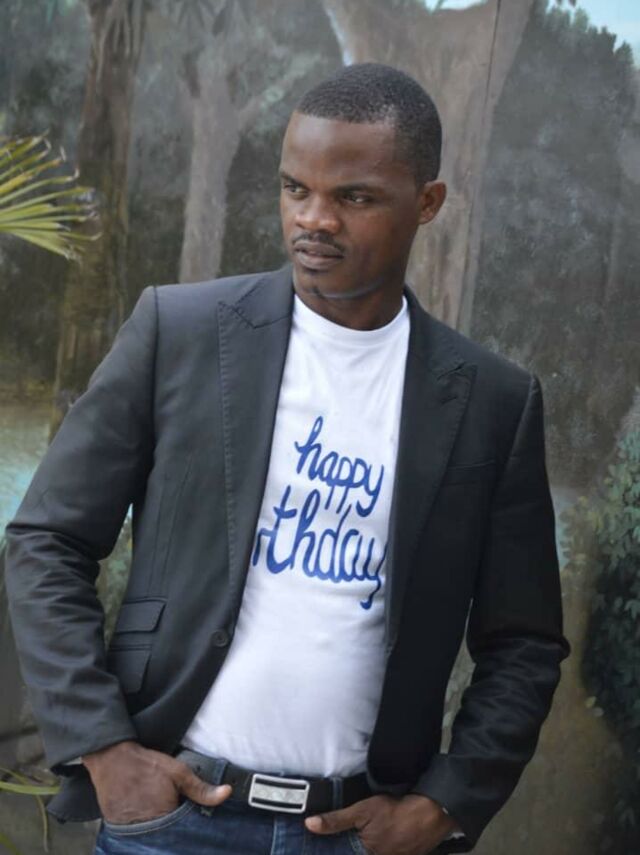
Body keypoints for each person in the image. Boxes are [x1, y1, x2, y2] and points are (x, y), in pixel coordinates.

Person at [4, 63, 569, 855]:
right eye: (295, 188)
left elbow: (524, 642)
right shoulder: (181, 334)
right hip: (170, 822)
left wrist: (441, 806)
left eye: (354, 197)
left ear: (428, 202)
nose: (314, 219)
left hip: (358, 831)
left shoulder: (491, 401)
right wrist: (103, 746)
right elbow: (47, 539)